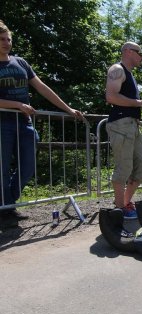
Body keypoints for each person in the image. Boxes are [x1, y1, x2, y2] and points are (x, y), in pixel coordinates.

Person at [0, 20, 84, 228]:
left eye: (8, 39)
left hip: (24, 122)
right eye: (1, 39)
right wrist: (17, 104)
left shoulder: (21, 63)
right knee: (1, 169)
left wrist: (68, 109)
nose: (6, 42)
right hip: (2, 123)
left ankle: (6, 204)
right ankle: (6, 210)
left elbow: (42, 88)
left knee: (28, 166)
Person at [105, 42, 142, 219]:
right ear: (127, 51)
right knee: (124, 168)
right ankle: (119, 210)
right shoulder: (117, 69)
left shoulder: (130, 74)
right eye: (140, 53)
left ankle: (125, 203)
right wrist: (140, 103)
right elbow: (111, 96)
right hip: (120, 124)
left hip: (132, 125)